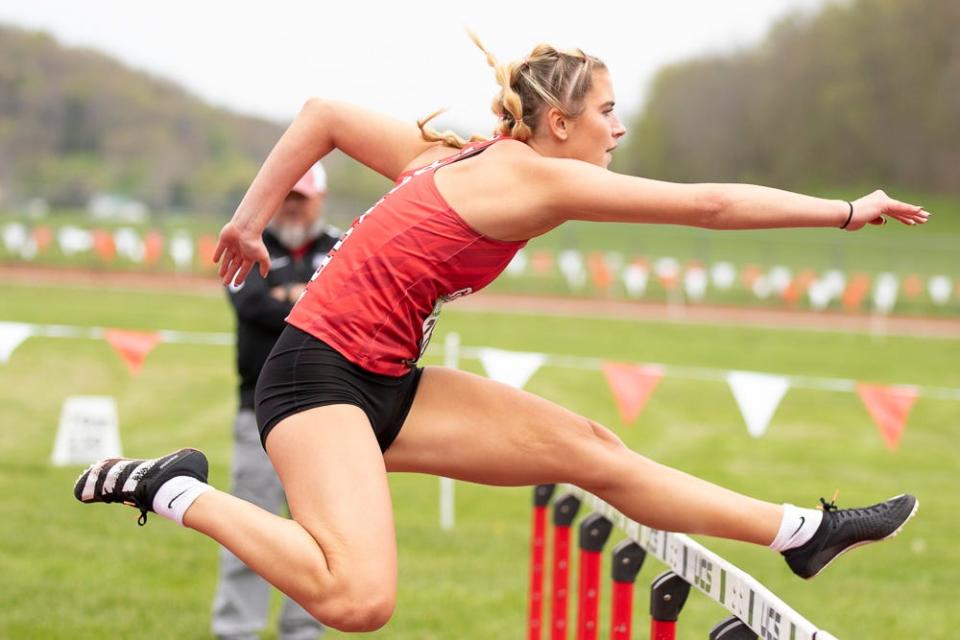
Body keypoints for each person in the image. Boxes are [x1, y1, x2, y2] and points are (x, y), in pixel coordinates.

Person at [75, 34, 926, 633]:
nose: (618, 130)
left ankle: (803, 534)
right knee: (358, 601)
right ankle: (173, 488)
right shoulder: (532, 180)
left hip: (388, 383)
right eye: (608, 111)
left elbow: (324, 114)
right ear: (560, 124)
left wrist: (249, 223)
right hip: (314, 382)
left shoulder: (447, 156)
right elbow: (709, 205)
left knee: (593, 449)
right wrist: (847, 211)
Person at [212, 164, 337, 640]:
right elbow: (253, 306)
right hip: (258, 412)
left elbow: (348, 307)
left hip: (325, 415)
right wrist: (307, 299)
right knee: (248, 531)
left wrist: (290, 295)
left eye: (302, 198)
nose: (292, 205)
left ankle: (303, 632)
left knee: (319, 536)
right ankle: (236, 631)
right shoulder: (247, 243)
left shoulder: (342, 246)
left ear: (319, 199)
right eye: (287, 196)